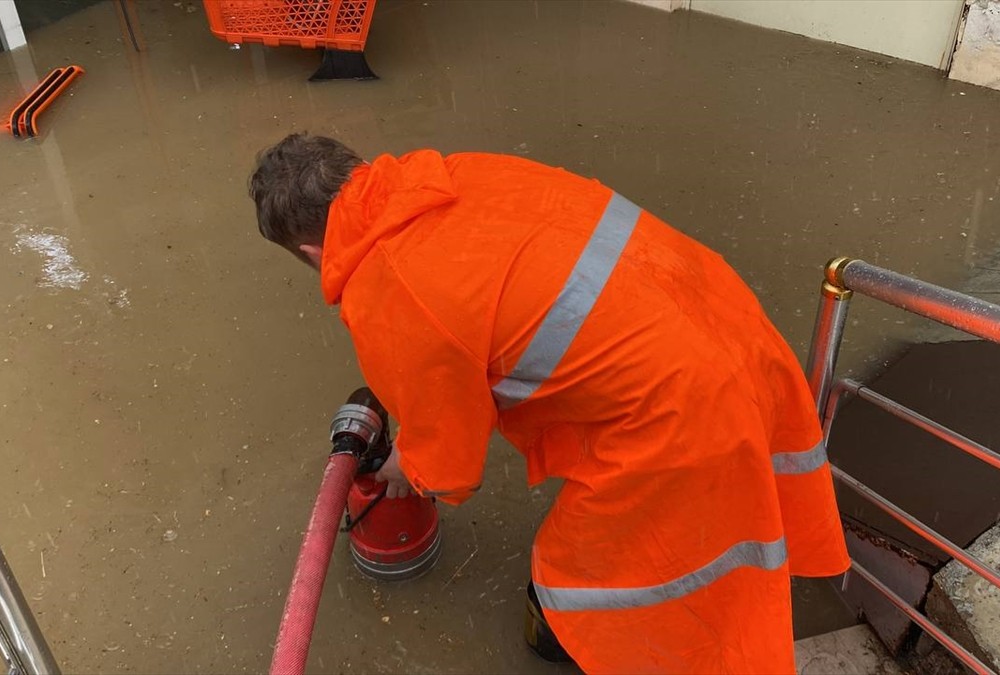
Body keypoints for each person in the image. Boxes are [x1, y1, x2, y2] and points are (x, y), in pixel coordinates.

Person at [248, 133, 850, 674]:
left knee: (579, 574)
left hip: (683, 405)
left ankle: (579, 646)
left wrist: (409, 469)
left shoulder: (387, 291)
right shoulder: (457, 173)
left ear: (308, 252)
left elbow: (452, 467)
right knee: (736, 512)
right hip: (724, 314)